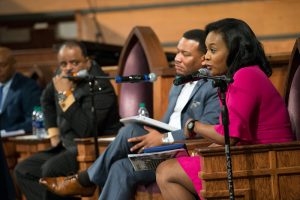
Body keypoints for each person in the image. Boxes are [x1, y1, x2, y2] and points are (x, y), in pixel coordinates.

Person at [39, 29, 220, 200]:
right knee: (120, 168)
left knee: (129, 131)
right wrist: (152, 129)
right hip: (163, 151)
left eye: (185, 54)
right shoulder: (178, 84)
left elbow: (206, 130)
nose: (177, 58)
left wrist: (164, 138)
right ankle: (86, 181)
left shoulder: (212, 87)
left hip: (186, 153)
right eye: (178, 52)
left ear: (204, 59)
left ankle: (85, 180)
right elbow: (169, 122)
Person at [155, 18, 294, 200]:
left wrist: (193, 126)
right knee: (169, 167)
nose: (206, 57)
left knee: (167, 172)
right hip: (254, 154)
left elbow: (228, 135)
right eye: (206, 50)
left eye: (213, 50)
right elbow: (230, 135)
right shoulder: (237, 77)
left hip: (269, 158)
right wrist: (206, 149)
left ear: (235, 51)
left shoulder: (245, 75)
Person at [14, 41, 122, 200]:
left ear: (88, 61)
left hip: (92, 148)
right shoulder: (62, 76)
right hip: (65, 145)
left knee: (50, 170)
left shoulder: (100, 86)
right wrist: (53, 133)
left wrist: (64, 94)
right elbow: (46, 99)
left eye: (75, 62)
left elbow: (86, 131)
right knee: (23, 170)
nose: (68, 68)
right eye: (63, 63)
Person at [0, 47, 42, 134]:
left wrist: (6, 132)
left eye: (3, 65)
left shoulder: (29, 87)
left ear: (14, 64)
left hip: (15, 142)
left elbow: (36, 121)